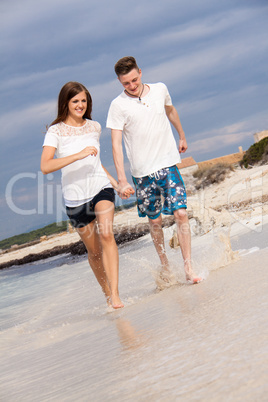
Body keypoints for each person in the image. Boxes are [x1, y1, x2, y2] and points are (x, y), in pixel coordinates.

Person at [106, 57, 202, 284]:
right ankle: (165, 266)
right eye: (126, 83)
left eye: (134, 80)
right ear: (120, 82)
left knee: (180, 213)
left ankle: (188, 268)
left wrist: (182, 135)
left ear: (140, 72)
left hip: (167, 164)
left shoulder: (160, 89)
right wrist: (121, 178)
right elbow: (115, 144)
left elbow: (170, 111)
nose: (131, 86)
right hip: (142, 174)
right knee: (155, 221)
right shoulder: (117, 105)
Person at [41, 81, 129, 309]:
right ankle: (107, 292)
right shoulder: (55, 131)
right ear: (66, 103)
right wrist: (77, 155)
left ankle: (117, 294)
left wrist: (117, 184)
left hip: (100, 188)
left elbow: (97, 164)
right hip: (75, 198)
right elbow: (46, 166)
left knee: (108, 235)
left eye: (83, 101)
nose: (80, 105)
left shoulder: (94, 127)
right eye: (75, 101)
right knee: (94, 252)